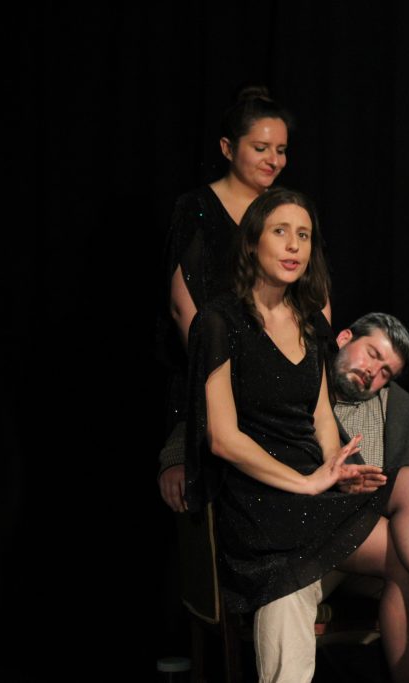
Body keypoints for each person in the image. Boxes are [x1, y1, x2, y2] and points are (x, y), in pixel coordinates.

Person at [186, 187, 409, 683]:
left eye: (304, 235)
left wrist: (337, 467)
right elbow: (221, 437)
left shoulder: (310, 323)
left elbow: (321, 419)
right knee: (407, 545)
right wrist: (307, 481)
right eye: (281, 232)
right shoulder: (218, 321)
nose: (294, 245)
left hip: (316, 498)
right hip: (261, 505)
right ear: (253, 241)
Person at [254, 312, 409, 683]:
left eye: (386, 372)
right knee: (283, 591)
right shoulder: (296, 381)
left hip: (377, 544)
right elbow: (216, 416)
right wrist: (174, 459)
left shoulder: (390, 405)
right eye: (372, 354)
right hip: (308, 543)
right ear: (344, 338)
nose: (373, 373)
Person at [158, 85, 323, 511]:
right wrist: (237, 373)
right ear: (228, 148)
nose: (274, 160)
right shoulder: (197, 207)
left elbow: (316, 300)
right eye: (261, 148)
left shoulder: (286, 211)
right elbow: (184, 308)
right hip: (213, 375)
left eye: (281, 150)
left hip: (281, 385)